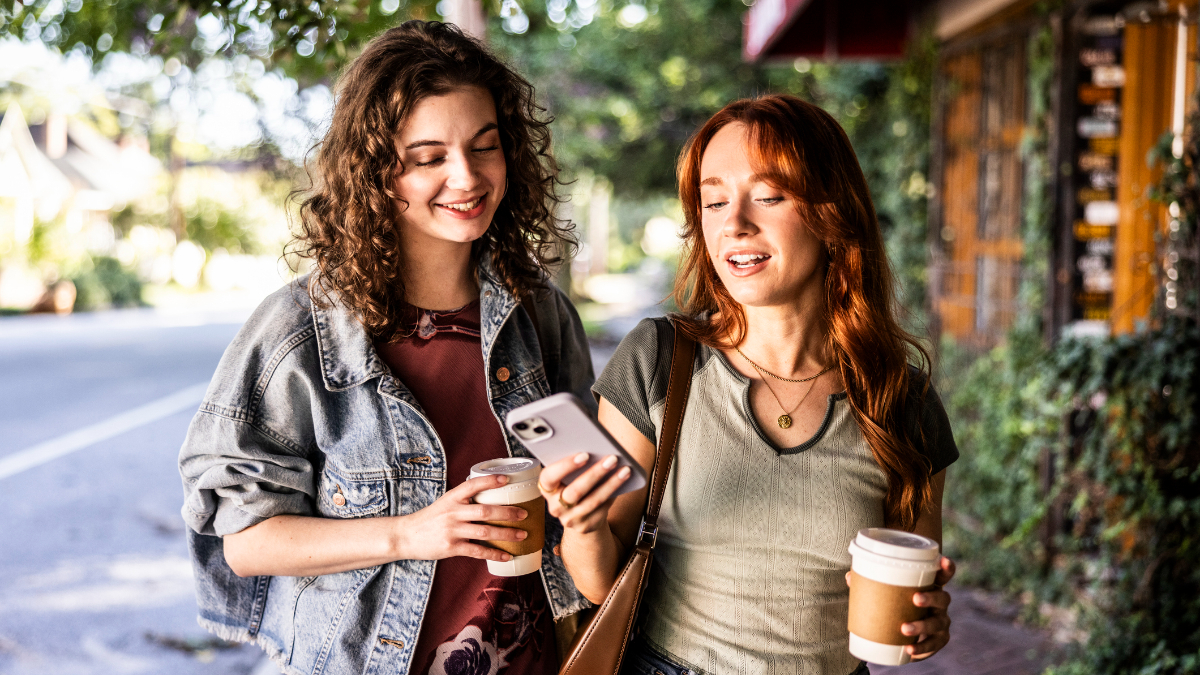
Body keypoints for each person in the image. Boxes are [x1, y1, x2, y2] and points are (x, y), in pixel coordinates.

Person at [177, 21, 593, 675]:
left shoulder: (540, 316)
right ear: (377, 171)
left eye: (485, 147)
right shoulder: (299, 329)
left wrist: (589, 494)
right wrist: (410, 533)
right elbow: (246, 541)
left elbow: (587, 492)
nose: (467, 176)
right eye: (430, 157)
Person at [536, 94, 959, 675]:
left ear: (831, 213)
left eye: (768, 196)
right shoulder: (659, 360)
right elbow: (598, 581)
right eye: (714, 201)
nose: (733, 223)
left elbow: (914, 587)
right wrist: (581, 524)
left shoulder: (901, 401)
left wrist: (927, 624)